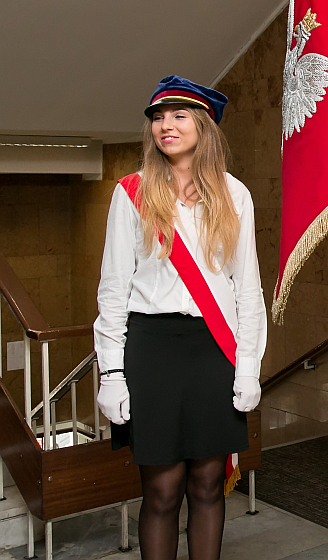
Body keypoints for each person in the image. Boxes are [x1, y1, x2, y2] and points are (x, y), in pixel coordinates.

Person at [94, 76, 266, 560]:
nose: (165, 125)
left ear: (203, 126)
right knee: (162, 490)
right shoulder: (131, 193)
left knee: (208, 485)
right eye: (157, 117)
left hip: (213, 349)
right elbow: (113, 289)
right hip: (152, 350)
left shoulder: (235, 194)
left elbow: (247, 287)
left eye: (178, 115)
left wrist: (248, 366)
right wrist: (111, 372)